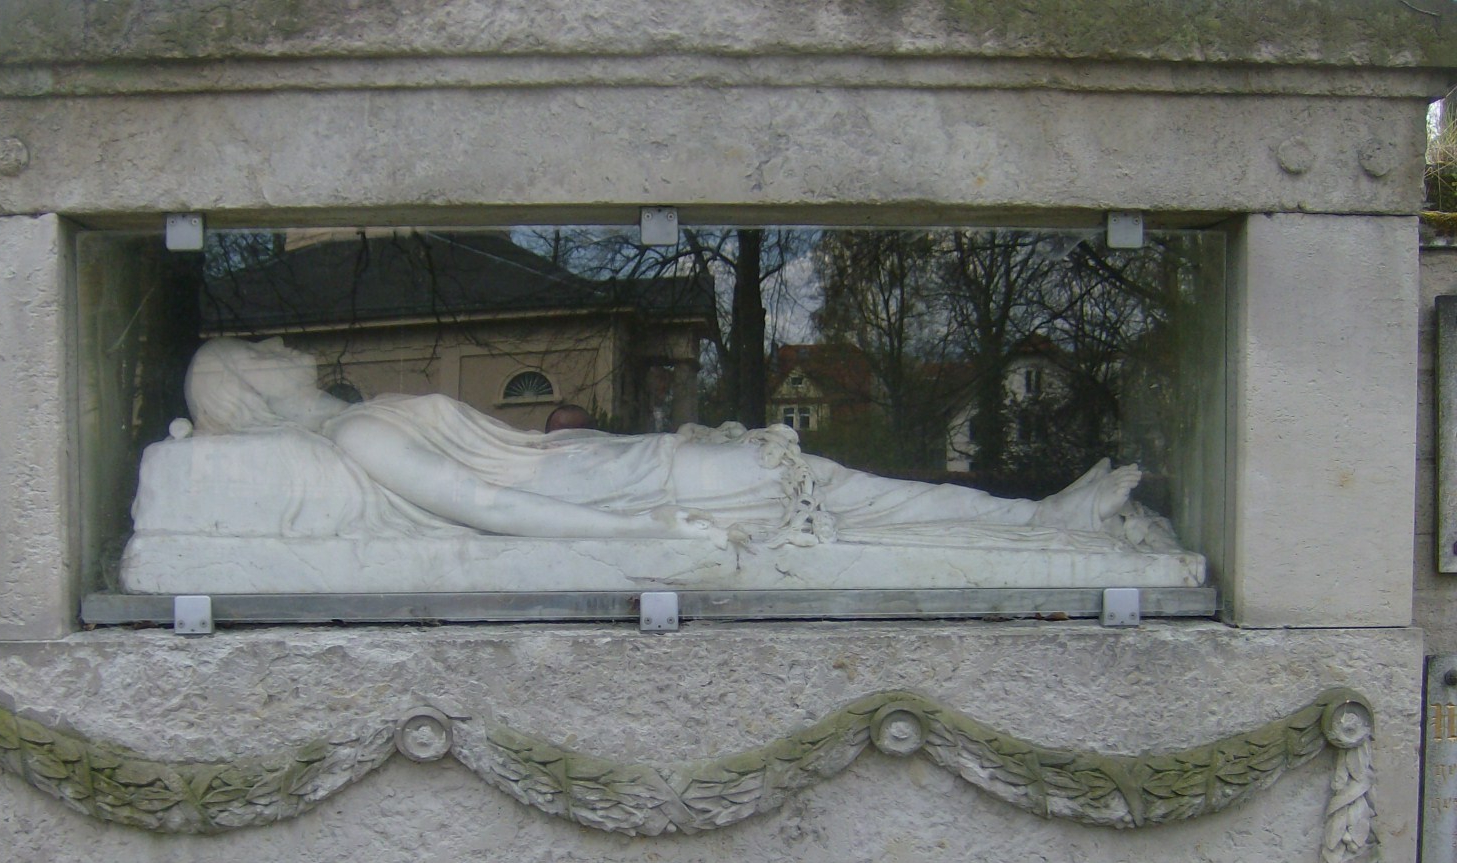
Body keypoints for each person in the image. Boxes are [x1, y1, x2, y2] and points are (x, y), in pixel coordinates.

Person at [182, 337, 1146, 549]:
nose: (283, 345)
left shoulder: (358, 423)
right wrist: (648, 534)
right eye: (260, 350)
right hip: (628, 488)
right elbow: (483, 509)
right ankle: (1044, 524)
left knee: (859, 503)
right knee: (855, 501)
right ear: (251, 386)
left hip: (621, 472)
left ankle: (1041, 522)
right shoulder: (356, 431)